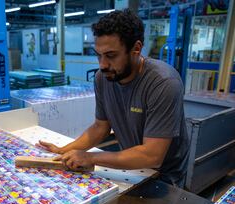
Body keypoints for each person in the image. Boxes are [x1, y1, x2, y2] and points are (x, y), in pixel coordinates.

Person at [37, 9, 189, 187]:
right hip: (132, 165)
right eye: (98, 55)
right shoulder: (104, 77)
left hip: (165, 174)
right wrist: (64, 151)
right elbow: (100, 127)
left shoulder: (163, 83)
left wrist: (90, 157)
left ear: (136, 49)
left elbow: (152, 155)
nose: (102, 65)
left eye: (111, 56)